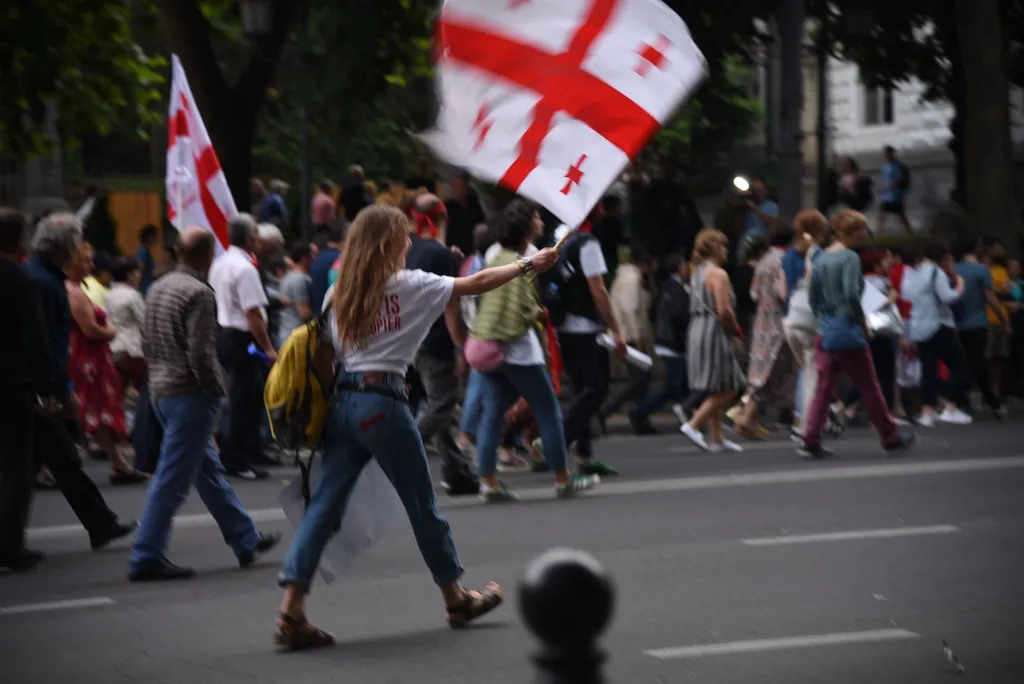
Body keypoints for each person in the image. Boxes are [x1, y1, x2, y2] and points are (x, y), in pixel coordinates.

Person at [273, 205, 559, 648]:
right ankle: (456, 597)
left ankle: (291, 610)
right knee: (423, 507)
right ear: (389, 244)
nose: (409, 244)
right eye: (403, 238)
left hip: (344, 404)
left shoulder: (339, 292)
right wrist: (529, 263)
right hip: (383, 402)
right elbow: (478, 282)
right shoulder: (411, 286)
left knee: (325, 506)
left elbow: (327, 359)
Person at [128, 228, 279, 581]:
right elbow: (200, 353)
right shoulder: (198, 293)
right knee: (172, 477)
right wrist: (217, 387)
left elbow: (147, 342)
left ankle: (245, 538)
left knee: (205, 470)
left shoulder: (158, 287)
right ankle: (145, 554)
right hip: (190, 393)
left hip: (161, 389)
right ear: (208, 255)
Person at [471, 200, 600, 501]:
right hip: (519, 348)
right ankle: (562, 478)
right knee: (548, 410)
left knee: (493, 410)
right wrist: (540, 313)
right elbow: (528, 304)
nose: (542, 222)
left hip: (489, 344)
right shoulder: (529, 256)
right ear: (528, 226)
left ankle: (487, 481)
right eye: (538, 218)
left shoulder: (493, 253)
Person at [25, 212, 138, 550]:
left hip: (37, 385)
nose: (82, 255)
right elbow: (49, 342)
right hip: (39, 388)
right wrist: (59, 389)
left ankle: (100, 523)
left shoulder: (43, 278)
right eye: (77, 246)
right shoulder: (50, 285)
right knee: (39, 463)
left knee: (57, 458)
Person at [800, 209, 915, 458]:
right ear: (850, 232)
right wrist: (862, 322)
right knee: (869, 384)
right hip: (848, 328)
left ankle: (810, 437)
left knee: (823, 387)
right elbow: (853, 294)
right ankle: (890, 436)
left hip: (825, 330)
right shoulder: (850, 258)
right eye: (862, 229)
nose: (866, 234)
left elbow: (813, 297)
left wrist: (825, 318)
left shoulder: (821, 259)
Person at [405, 193, 479, 495]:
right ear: (442, 219)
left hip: (410, 339)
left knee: (439, 408)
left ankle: (456, 472)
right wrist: (461, 347)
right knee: (442, 405)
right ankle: (401, 452)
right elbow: (451, 307)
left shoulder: (408, 249)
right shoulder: (441, 254)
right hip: (435, 341)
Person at [0, 209, 51, 571]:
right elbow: (36, 340)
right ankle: (10, 544)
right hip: (12, 384)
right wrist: (50, 387)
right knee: (17, 467)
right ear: (19, 240)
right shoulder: (20, 280)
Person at [208, 214, 276, 480]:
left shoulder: (221, 262)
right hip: (244, 341)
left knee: (253, 391)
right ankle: (235, 457)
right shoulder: (245, 269)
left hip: (227, 335)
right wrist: (268, 347)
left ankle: (251, 448)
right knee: (243, 396)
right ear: (250, 239)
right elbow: (253, 314)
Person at [679, 229, 746, 452]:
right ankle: (694, 424)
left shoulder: (696, 272)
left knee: (715, 384)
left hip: (697, 328)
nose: (727, 251)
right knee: (730, 385)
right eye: (723, 246)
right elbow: (724, 310)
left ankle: (716, 438)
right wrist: (736, 329)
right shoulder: (718, 274)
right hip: (714, 329)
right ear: (715, 248)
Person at [901, 241, 972, 427]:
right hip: (939, 325)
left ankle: (928, 413)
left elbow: (905, 296)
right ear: (942, 257)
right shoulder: (935, 272)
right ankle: (950, 407)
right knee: (960, 365)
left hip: (919, 327)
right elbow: (947, 298)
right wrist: (960, 288)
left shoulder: (909, 273)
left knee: (928, 370)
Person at [630, 253, 690, 431]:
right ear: (679, 267)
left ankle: (690, 416)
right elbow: (678, 315)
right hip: (672, 343)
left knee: (680, 383)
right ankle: (640, 410)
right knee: (672, 386)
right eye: (685, 265)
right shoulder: (675, 288)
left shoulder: (670, 287)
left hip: (670, 342)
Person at [954, 240, 1007, 416]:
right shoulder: (982, 270)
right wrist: (1003, 319)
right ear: (975, 251)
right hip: (978, 322)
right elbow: (990, 298)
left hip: (959, 324)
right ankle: (955, 395)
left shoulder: (955, 270)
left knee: (976, 362)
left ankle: (992, 402)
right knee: (976, 362)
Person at [275, 242, 315, 348]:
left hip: (284, 334)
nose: (314, 260)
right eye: (311, 256)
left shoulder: (287, 277)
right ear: (304, 258)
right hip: (295, 338)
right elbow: (304, 313)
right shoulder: (300, 280)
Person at [877, 146, 912, 234]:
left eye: (888, 154)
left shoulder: (898, 166)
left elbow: (899, 179)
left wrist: (889, 186)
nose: (886, 156)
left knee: (900, 214)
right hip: (887, 195)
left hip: (896, 194)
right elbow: (885, 179)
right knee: (882, 213)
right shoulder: (885, 167)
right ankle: (880, 232)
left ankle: (909, 231)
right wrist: (884, 189)